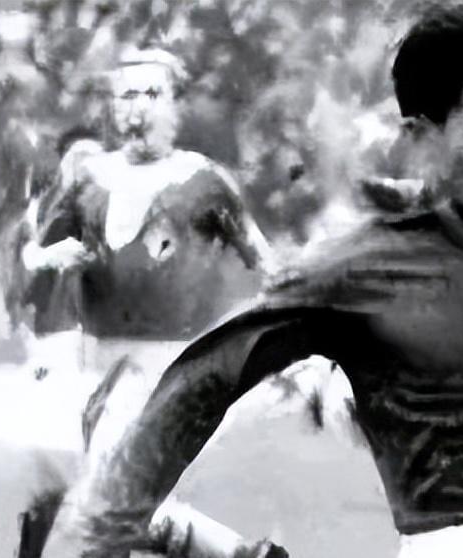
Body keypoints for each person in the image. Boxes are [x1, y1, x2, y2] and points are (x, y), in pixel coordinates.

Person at [42, 6, 463, 557]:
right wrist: (104, 527)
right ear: (422, 135)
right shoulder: (351, 267)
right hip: (457, 542)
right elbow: (203, 381)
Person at [16, 46, 287, 558]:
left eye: (152, 94)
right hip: (101, 366)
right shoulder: (87, 179)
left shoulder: (202, 181)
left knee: (104, 500)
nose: (138, 107)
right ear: (112, 107)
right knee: (119, 505)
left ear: (175, 106)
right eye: (126, 96)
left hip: (171, 367)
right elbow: (32, 254)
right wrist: (53, 257)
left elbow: (262, 257)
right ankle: (243, 554)